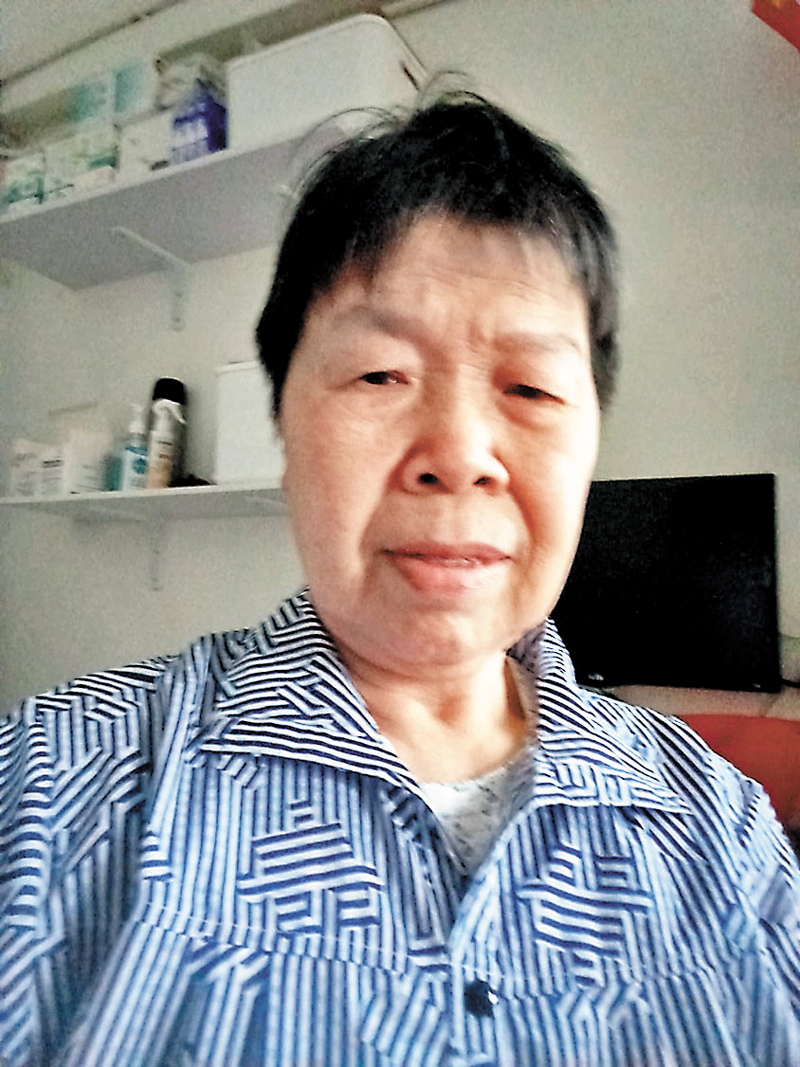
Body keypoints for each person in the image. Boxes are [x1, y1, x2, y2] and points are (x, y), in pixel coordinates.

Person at [1, 93, 799, 1067]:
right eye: (379, 374)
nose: (458, 453)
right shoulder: (52, 785)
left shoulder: (724, 831)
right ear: (283, 427)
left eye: (531, 387)